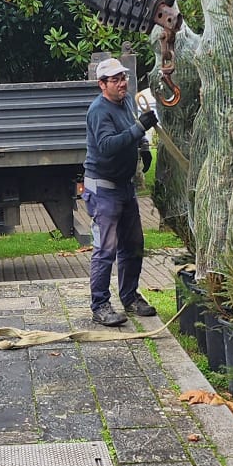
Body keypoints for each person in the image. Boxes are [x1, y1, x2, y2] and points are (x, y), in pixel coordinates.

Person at [84, 56, 159, 327]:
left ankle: (130, 297)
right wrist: (139, 127)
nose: (122, 83)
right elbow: (106, 145)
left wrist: (143, 146)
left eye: (123, 78)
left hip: (125, 188)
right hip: (104, 189)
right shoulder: (98, 110)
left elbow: (130, 129)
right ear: (102, 84)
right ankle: (100, 305)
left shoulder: (125, 101)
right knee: (106, 249)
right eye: (115, 80)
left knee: (134, 245)